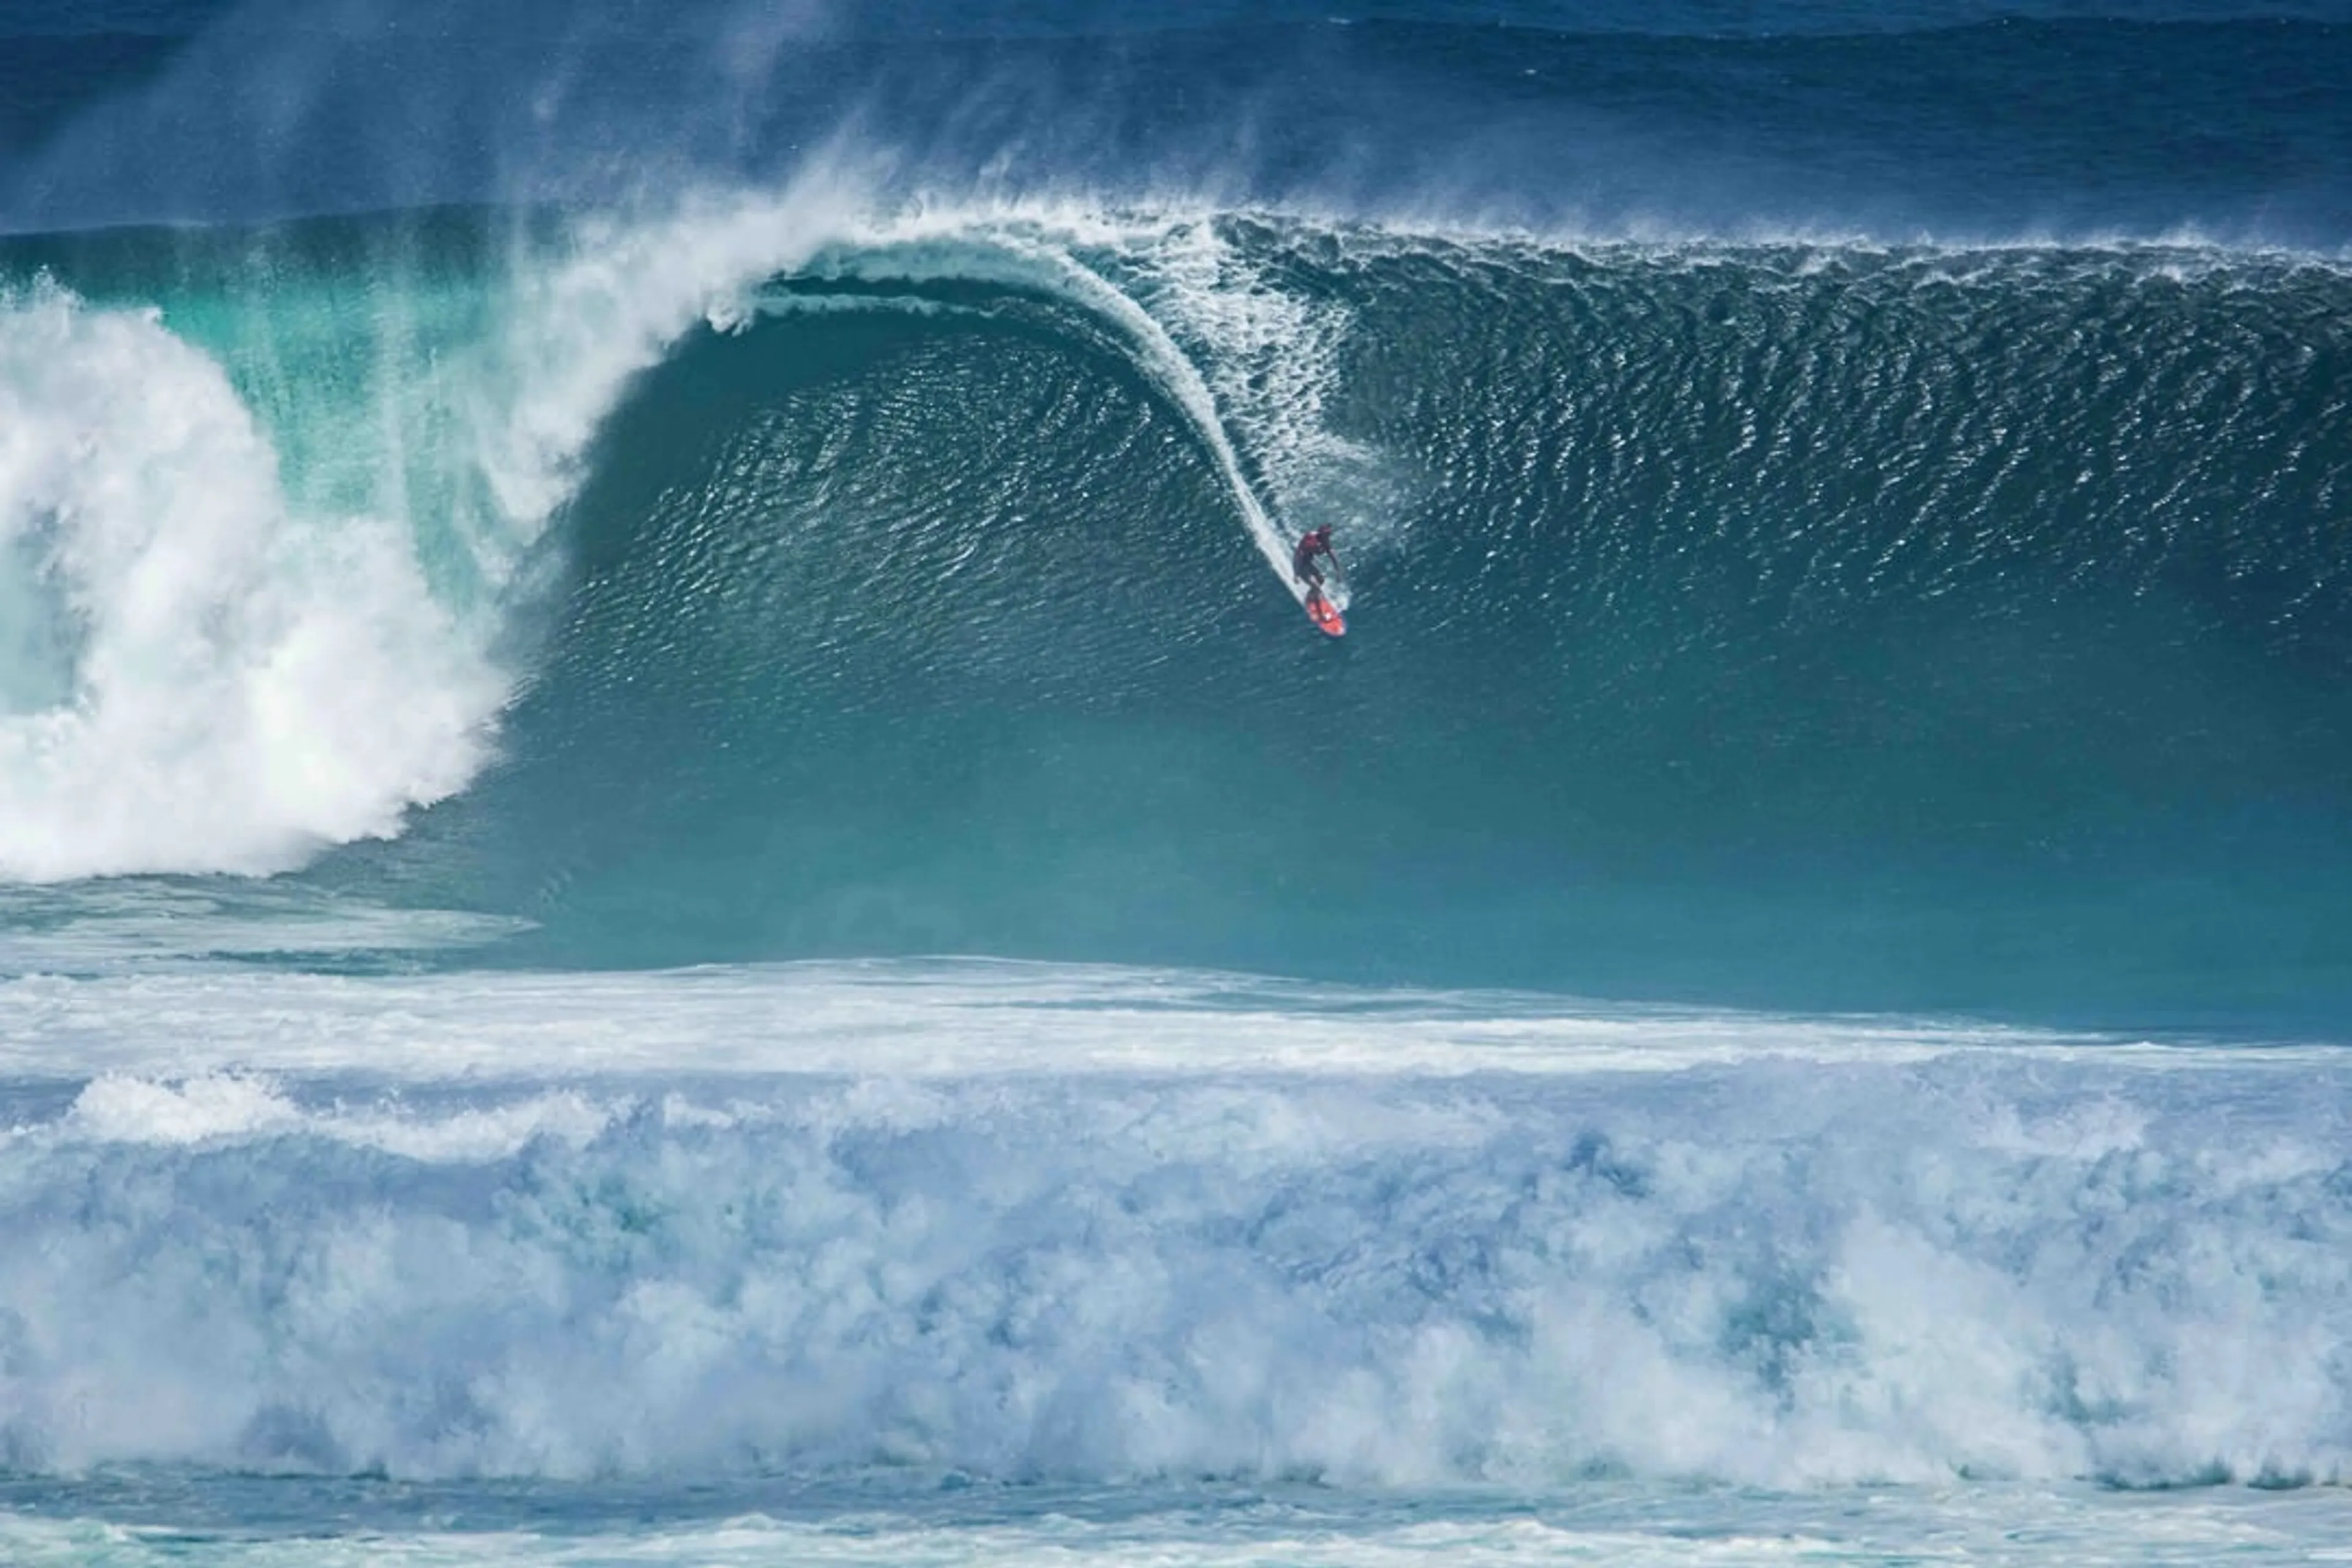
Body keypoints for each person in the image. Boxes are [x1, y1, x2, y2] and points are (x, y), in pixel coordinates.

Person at [1292, 525, 1336, 597]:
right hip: (1299, 565)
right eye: (1326, 534)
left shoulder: (1325, 542)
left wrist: (1338, 573)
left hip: (1308, 563)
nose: (1328, 537)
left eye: (1329, 534)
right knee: (1317, 587)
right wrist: (1296, 574)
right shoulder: (1310, 541)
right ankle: (1313, 594)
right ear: (1321, 533)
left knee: (1321, 580)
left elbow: (1333, 557)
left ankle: (1312, 594)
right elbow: (1299, 558)